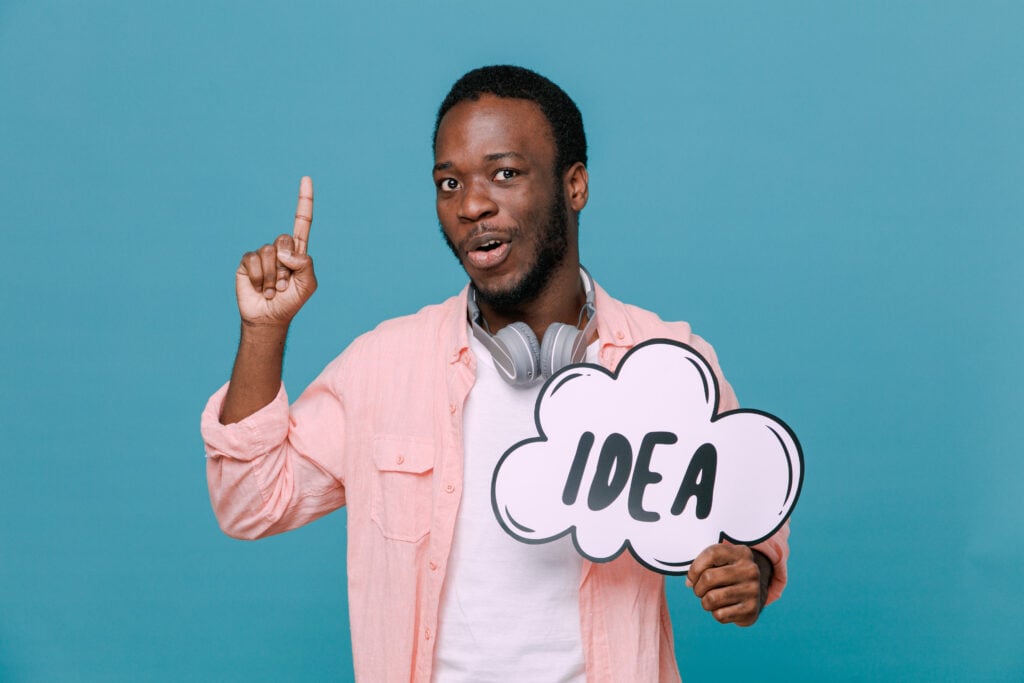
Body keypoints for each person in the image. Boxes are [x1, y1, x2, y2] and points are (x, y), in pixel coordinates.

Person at [202, 65, 789, 682]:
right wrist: (264, 333)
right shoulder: (383, 365)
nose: (472, 204)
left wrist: (749, 573)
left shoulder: (669, 362)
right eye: (449, 182)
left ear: (576, 185)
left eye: (504, 174)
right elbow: (249, 503)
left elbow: (752, 531)